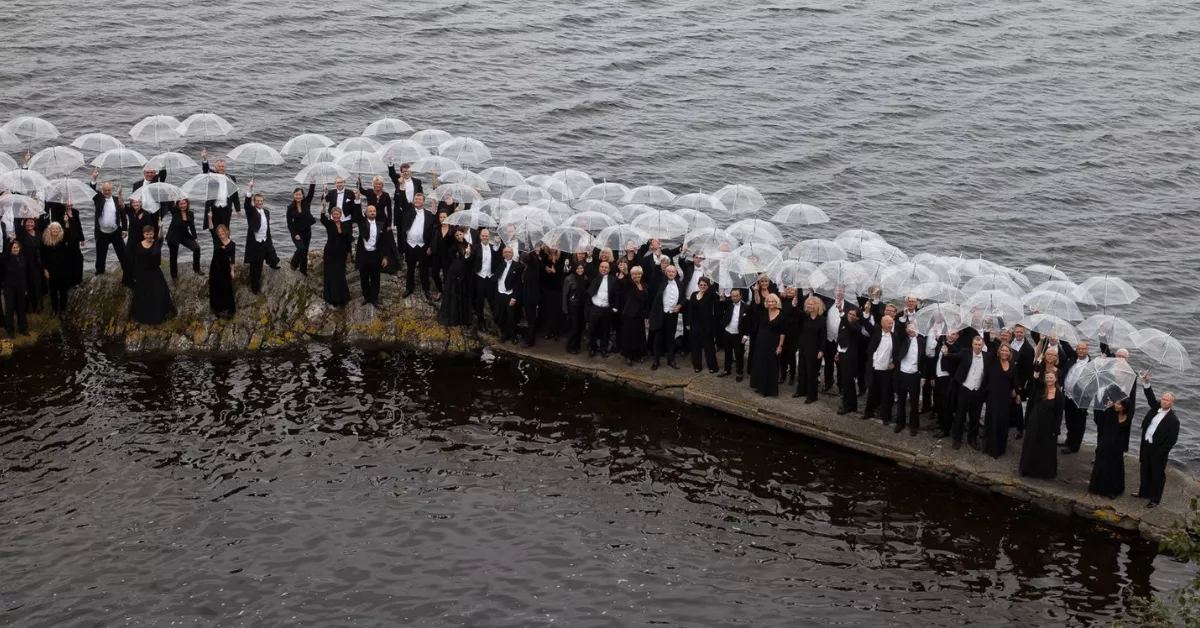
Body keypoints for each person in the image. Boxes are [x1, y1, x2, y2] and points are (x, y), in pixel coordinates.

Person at [1135, 373, 1179, 508]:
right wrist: (1146, 382)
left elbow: (1171, 440)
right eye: (1163, 399)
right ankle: (1143, 492)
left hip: (1158, 450)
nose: (1164, 401)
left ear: (1172, 403)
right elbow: (1149, 396)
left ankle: (1155, 499)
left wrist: (1161, 452)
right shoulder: (1155, 407)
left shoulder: (1173, 420)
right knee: (1144, 469)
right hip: (1146, 445)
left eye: (1167, 400)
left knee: (1157, 475)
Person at [1020, 370, 1063, 479]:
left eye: (1051, 378)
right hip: (1035, 421)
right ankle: (1027, 469)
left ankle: (1044, 473)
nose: (1049, 380)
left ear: (1055, 379)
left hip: (1049, 424)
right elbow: (1032, 387)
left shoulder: (1059, 394)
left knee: (1045, 448)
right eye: (1047, 378)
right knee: (1031, 445)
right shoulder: (1039, 390)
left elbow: (1059, 413)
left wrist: (1056, 429)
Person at [129, 225, 174, 324]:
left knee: (158, 293)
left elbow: (160, 238)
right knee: (143, 295)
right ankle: (143, 317)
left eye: (150, 234)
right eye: (147, 234)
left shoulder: (157, 243)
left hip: (155, 272)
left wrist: (161, 227)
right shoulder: (138, 245)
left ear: (153, 234)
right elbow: (136, 261)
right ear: (143, 234)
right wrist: (135, 275)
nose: (149, 236)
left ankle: (159, 316)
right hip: (143, 273)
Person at [952, 336, 990, 450]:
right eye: (975, 344)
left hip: (978, 391)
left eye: (979, 345)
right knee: (960, 415)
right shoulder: (965, 353)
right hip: (965, 389)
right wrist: (945, 352)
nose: (977, 347)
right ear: (972, 345)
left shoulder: (987, 356)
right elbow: (953, 356)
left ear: (982, 345)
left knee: (975, 417)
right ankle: (957, 438)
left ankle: (972, 439)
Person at [242, 183, 281, 295]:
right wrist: (249, 189)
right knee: (257, 267)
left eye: (261, 201)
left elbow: (266, 226)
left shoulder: (266, 212)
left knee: (272, 255)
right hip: (256, 242)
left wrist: (268, 239)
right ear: (254, 202)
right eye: (257, 201)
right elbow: (246, 205)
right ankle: (255, 288)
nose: (259, 202)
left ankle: (272, 263)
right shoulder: (251, 211)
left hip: (265, 239)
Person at [982, 344, 1019, 457]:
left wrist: (1017, 393)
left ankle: (1000, 448)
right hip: (992, 396)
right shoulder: (993, 362)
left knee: (1003, 422)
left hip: (1005, 398)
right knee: (992, 420)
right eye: (1002, 350)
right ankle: (989, 447)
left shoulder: (1012, 365)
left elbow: (1014, 382)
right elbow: (986, 378)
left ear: (1010, 353)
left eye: (1006, 351)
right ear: (999, 351)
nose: (1004, 352)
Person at [1089, 398, 1130, 499]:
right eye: (1116, 403)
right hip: (1106, 442)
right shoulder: (1109, 412)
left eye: (1119, 404)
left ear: (1124, 407)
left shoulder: (1127, 416)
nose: (1116, 405)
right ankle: (1097, 487)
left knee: (1115, 467)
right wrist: (1106, 409)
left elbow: (1126, 432)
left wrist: (1124, 446)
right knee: (1102, 464)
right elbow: (1099, 424)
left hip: (1118, 445)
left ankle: (1114, 490)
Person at [89, 174, 128, 275]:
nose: (107, 192)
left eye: (109, 190)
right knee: (100, 255)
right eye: (105, 190)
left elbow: (123, 215)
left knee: (123, 254)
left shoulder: (116, 200)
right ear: (102, 190)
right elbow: (92, 190)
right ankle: (99, 273)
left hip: (116, 231)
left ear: (111, 190)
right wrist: (94, 179)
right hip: (101, 232)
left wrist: (124, 229)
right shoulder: (98, 198)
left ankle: (127, 273)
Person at [400, 192, 436, 300]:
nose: (417, 201)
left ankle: (426, 289)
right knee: (410, 267)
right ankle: (409, 288)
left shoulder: (429, 214)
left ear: (423, 201)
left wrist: (430, 246)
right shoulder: (408, 211)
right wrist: (402, 188)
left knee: (424, 268)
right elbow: (403, 201)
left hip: (422, 245)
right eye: (416, 199)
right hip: (410, 244)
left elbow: (432, 232)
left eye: (420, 199)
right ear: (413, 200)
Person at [929, 330, 964, 438]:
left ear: (957, 336)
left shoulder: (957, 347)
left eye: (953, 334)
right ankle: (940, 423)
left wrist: (944, 345)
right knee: (938, 401)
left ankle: (946, 429)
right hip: (938, 376)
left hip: (948, 379)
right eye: (948, 332)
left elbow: (955, 353)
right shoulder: (942, 343)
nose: (950, 335)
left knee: (946, 405)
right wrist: (933, 376)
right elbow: (935, 359)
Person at [200, 149, 240, 244]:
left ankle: (226, 249)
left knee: (225, 232)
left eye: (223, 166)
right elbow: (205, 170)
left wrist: (238, 208)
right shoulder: (211, 175)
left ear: (225, 167)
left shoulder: (231, 178)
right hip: (214, 209)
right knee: (214, 232)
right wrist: (204, 159)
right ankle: (217, 248)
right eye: (219, 166)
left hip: (226, 210)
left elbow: (235, 194)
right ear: (216, 167)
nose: (221, 168)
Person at [862, 314, 897, 423]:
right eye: (889, 323)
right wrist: (867, 313)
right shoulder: (876, 332)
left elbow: (897, 352)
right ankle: (868, 412)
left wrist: (894, 363)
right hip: (874, 368)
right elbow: (867, 324)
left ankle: (885, 416)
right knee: (872, 392)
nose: (891, 325)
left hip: (886, 370)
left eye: (892, 323)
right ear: (883, 324)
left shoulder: (894, 336)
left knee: (886, 394)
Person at [750, 293, 785, 397]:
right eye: (769, 301)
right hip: (761, 341)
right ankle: (759, 386)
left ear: (777, 302)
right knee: (760, 363)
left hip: (773, 342)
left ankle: (770, 390)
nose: (771, 303)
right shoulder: (763, 312)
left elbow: (783, 332)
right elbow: (757, 302)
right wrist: (756, 291)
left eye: (773, 301)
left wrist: (780, 345)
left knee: (771, 365)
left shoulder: (781, 315)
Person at [1061, 342, 1093, 453]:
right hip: (1067, 395)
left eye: (1083, 349)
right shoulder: (1073, 359)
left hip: (1081, 398)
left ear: (1087, 350)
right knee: (1069, 420)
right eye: (1078, 349)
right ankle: (1069, 441)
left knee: (1078, 423)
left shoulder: (1091, 365)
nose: (1080, 351)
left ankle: (1074, 446)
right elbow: (1066, 346)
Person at [892, 322, 924, 434]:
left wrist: (923, 377)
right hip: (903, 372)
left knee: (914, 401)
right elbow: (900, 328)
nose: (911, 330)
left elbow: (923, 360)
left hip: (915, 374)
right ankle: (900, 423)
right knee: (901, 399)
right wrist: (904, 318)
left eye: (913, 328)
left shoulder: (921, 341)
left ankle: (914, 425)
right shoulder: (903, 339)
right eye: (909, 328)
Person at [793, 295, 825, 402]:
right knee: (802, 370)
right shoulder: (805, 317)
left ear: (817, 306)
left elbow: (823, 336)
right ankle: (801, 390)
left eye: (812, 304)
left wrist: (821, 350)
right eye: (808, 304)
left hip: (814, 349)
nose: (809, 306)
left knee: (812, 373)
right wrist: (794, 305)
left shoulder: (821, 319)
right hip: (803, 347)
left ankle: (811, 396)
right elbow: (797, 315)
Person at [319, 203, 351, 307]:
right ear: (332, 215)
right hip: (330, 252)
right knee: (330, 274)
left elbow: (348, 241)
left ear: (341, 215)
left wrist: (349, 253)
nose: (336, 216)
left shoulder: (346, 225)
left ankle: (342, 298)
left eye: (337, 214)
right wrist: (324, 208)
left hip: (341, 253)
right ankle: (331, 298)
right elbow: (322, 218)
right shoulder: (329, 223)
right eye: (334, 214)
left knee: (340, 274)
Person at [438, 229, 472, 326]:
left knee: (463, 293)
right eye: (457, 235)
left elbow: (470, 260)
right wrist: (462, 255)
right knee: (453, 294)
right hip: (454, 274)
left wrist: (468, 253)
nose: (459, 237)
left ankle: (463, 318)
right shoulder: (453, 246)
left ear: (463, 234)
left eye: (460, 234)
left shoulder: (468, 245)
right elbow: (451, 258)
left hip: (464, 274)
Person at [355, 204, 388, 307]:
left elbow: (384, 242)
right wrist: (357, 199)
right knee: (364, 277)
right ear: (366, 213)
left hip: (375, 254)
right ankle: (366, 297)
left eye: (374, 211)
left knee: (375, 277)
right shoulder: (362, 222)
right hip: (364, 254)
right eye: (370, 211)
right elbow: (357, 212)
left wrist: (385, 257)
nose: (372, 212)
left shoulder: (381, 224)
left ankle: (374, 298)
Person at [685, 276, 719, 373]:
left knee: (709, 346)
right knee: (695, 346)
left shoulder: (711, 295)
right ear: (698, 285)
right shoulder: (693, 294)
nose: (702, 286)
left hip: (707, 324)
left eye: (705, 285)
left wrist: (712, 285)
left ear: (708, 286)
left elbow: (715, 297)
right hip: (695, 324)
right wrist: (688, 323)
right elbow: (690, 310)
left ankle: (713, 366)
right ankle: (697, 366)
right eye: (701, 285)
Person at [469, 228, 500, 331]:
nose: (485, 237)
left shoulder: (493, 247)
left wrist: (498, 244)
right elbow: (470, 260)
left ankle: (497, 321)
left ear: (489, 237)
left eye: (486, 236)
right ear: (480, 237)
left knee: (492, 300)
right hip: (480, 278)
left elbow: (498, 257)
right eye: (483, 236)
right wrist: (467, 254)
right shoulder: (475, 247)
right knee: (480, 301)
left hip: (490, 278)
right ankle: (480, 322)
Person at [587, 260, 619, 358]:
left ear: (609, 269)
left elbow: (616, 294)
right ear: (599, 268)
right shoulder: (595, 277)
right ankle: (592, 348)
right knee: (592, 329)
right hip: (595, 307)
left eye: (606, 267)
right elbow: (588, 269)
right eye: (602, 267)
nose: (603, 269)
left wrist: (615, 307)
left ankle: (603, 349)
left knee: (605, 330)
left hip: (606, 309)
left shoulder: (613, 280)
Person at [718, 289, 751, 382]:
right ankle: (726, 370)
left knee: (739, 354)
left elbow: (748, 323)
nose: (734, 298)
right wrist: (722, 298)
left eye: (736, 296)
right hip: (728, 331)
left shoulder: (746, 307)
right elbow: (719, 305)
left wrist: (745, 336)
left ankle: (739, 372)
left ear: (741, 296)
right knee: (727, 353)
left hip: (738, 334)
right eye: (733, 296)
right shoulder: (728, 304)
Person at [835, 306, 863, 415]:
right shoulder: (845, 324)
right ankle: (852, 405)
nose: (850, 316)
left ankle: (847, 405)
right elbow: (842, 338)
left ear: (857, 318)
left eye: (853, 315)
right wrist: (838, 352)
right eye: (849, 314)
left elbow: (849, 326)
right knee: (846, 380)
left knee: (848, 381)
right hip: (843, 354)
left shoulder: (857, 326)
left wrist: (841, 312)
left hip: (850, 357)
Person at [40, 222, 72, 316]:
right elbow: (43, 257)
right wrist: (45, 269)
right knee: (53, 290)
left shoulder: (62, 240)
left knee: (63, 291)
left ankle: (63, 310)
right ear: (49, 230)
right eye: (53, 229)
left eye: (57, 228)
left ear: (60, 230)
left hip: (63, 269)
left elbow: (68, 233)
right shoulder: (45, 242)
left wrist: (67, 223)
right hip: (51, 270)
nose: (55, 230)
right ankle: (54, 310)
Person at [619, 266, 649, 366]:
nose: (637, 276)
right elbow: (627, 278)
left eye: (639, 274)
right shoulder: (629, 284)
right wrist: (625, 271)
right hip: (629, 314)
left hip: (640, 315)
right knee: (629, 336)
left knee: (639, 336)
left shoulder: (644, 285)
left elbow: (646, 300)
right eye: (635, 274)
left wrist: (647, 315)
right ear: (631, 275)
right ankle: (628, 356)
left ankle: (637, 355)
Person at [166, 198, 202, 280]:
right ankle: (174, 275)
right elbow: (169, 203)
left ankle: (196, 269)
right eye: (181, 204)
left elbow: (192, 226)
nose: (183, 205)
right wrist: (170, 196)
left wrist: (195, 237)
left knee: (197, 248)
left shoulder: (190, 213)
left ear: (187, 204)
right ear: (178, 204)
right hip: (173, 236)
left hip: (184, 235)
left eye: (184, 203)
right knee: (173, 256)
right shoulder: (175, 211)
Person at [286, 183, 317, 275]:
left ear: (303, 195)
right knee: (301, 248)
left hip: (307, 231)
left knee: (305, 252)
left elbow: (311, 192)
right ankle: (293, 263)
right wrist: (295, 234)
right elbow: (289, 224)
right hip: (296, 232)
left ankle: (303, 271)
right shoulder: (290, 208)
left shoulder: (306, 202)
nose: (298, 196)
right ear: (294, 195)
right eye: (296, 195)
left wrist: (313, 181)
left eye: (300, 194)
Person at [824, 286, 850, 393]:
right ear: (833, 291)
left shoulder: (849, 306)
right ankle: (828, 382)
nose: (838, 292)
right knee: (828, 362)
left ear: (844, 291)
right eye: (836, 290)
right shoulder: (828, 302)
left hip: (841, 340)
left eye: (841, 290)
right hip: (828, 338)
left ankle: (841, 386)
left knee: (840, 365)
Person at [209, 224, 237, 318]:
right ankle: (217, 309)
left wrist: (232, 271)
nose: (221, 234)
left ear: (226, 232)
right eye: (219, 232)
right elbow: (211, 229)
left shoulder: (232, 244)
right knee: (216, 288)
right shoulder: (216, 240)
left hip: (225, 267)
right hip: (215, 267)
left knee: (226, 288)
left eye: (222, 231)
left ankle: (228, 310)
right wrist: (209, 218)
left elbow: (232, 259)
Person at [2, 240, 29, 336]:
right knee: (10, 309)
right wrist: (9, 243)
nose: (15, 249)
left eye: (17, 247)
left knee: (21, 309)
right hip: (9, 288)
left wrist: (25, 288)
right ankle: (10, 330)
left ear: (19, 248)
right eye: (13, 247)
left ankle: (23, 328)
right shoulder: (6, 260)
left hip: (20, 288)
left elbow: (25, 275)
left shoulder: (23, 259)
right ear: (10, 249)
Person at [16, 218, 43, 313]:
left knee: (38, 284)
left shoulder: (39, 234)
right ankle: (30, 306)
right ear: (24, 223)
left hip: (38, 262)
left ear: (34, 223)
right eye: (28, 222)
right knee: (29, 284)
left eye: (32, 222)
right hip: (27, 262)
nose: (30, 224)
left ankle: (39, 305)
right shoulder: (22, 234)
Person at [495, 247, 521, 342]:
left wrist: (514, 297)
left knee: (511, 317)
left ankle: (513, 336)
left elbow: (518, 284)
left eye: (509, 252)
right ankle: (504, 335)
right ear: (503, 254)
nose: (507, 253)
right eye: (505, 252)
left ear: (512, 253)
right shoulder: (500, 264)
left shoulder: (517, 266)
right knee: (501, 316)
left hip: (510, 294)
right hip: (499, 293)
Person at [562, 262, 589, 353]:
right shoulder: (569, 279)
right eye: (578, 268)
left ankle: (577, 346)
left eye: (581, 268)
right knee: (574, 327)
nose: (580, 270)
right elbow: (565, 294)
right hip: (572, 306)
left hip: (582, 306)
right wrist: (565, 308)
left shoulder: (585, 278)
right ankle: (570, 346)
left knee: (580, 327)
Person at [323, 177, 359, 242]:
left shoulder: (350, 193)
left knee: (348, 239)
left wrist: (354, 221)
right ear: (335, 184)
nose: (339, 184)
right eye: (338, 183)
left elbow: (354, 208)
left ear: (344, 183)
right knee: (333, 238)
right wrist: (325, 192)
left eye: (341, 182)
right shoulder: (331, 192)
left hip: (346, 219)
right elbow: (325, 200)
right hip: (334, 219)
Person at [519, 250, 541, 347]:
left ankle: (530, 341)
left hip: (531, 299)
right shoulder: (528, 269)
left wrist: (531, 251)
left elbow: (534, 260)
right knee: (530, 320)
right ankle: (529, 338)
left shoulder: (532, 270)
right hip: (528, 298)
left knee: (531, 320)